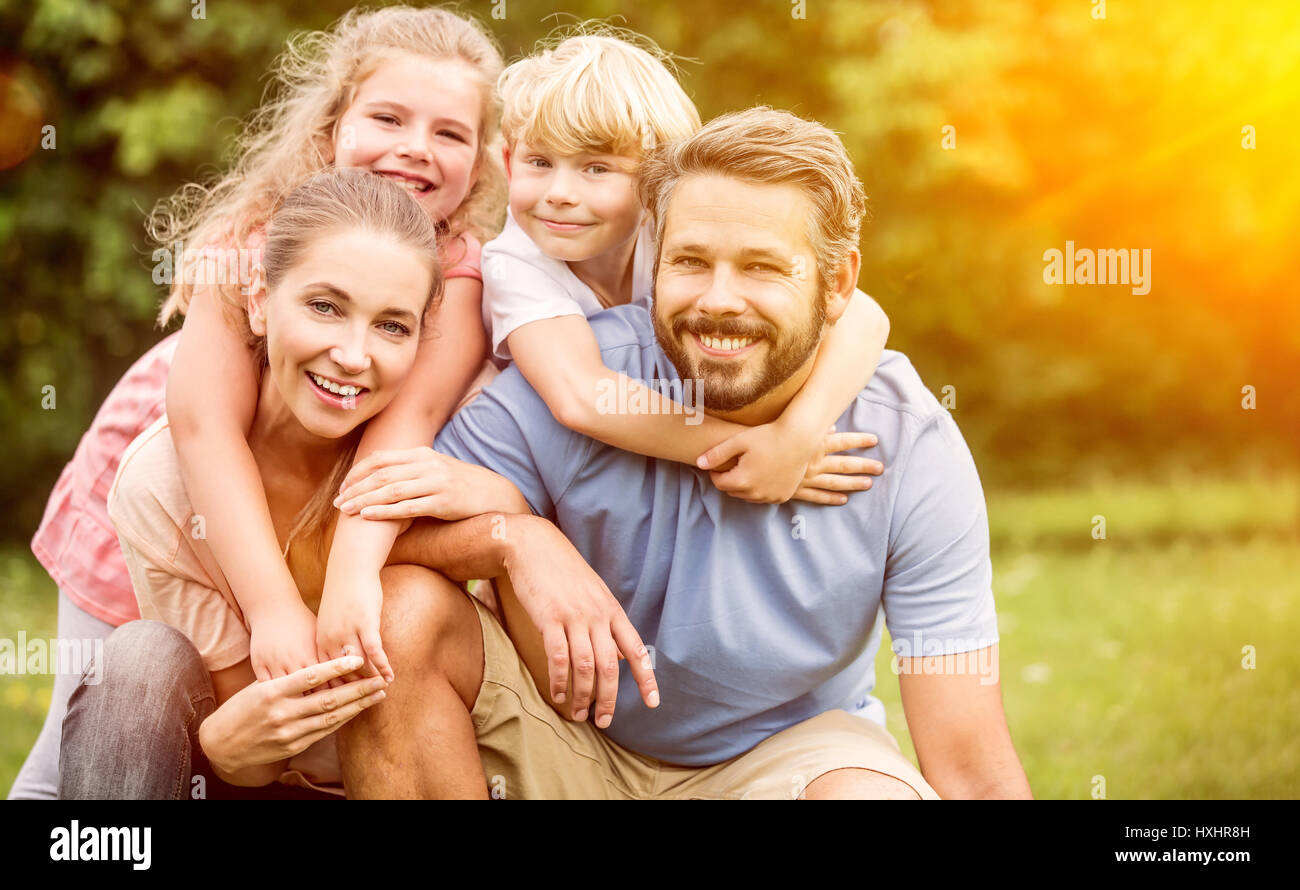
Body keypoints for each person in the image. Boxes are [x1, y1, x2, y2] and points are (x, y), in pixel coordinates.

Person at [335, 108, 1034, 799]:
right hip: (565, 742)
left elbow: (969, 767)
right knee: (404, 613)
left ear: (840, 284)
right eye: (691, 262)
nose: (719, 301)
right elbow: (386, 539)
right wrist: (515, 540)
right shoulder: (580, 380)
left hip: (784, 760)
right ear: (655, 261)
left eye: (762, 267)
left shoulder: (908, 441)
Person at [12, 5, 505, 798]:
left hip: (310, 496)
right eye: (387, 116)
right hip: (170, 473)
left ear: (483, 161)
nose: (415, 147)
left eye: (450, 132)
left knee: (255, 720)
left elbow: (404, 427)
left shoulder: (464, 277)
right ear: (333, 123)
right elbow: (203, 426)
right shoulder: (251, 234)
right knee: (92, 720)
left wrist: (349, 577)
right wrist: (273, 607)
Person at [59, 170, 534, 798]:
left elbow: (518, 644)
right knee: (137, 661)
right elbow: (261, 758)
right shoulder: (164, 490)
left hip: (411, 772)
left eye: (392, 325)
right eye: (325, 307)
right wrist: (226, 748)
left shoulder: (430, 454)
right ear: (258, 300)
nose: (353, 355)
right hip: (260, 781)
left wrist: (509, 511)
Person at [471, 31, 892, 508]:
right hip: (552, 463)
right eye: (540, 162)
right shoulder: (516, 259)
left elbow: (865, 315)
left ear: (654, 180)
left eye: (596, 169)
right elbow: (581, 397)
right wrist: (746, 451)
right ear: (508, 161)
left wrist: (796, 437)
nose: (560, 192)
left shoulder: (675, 231)